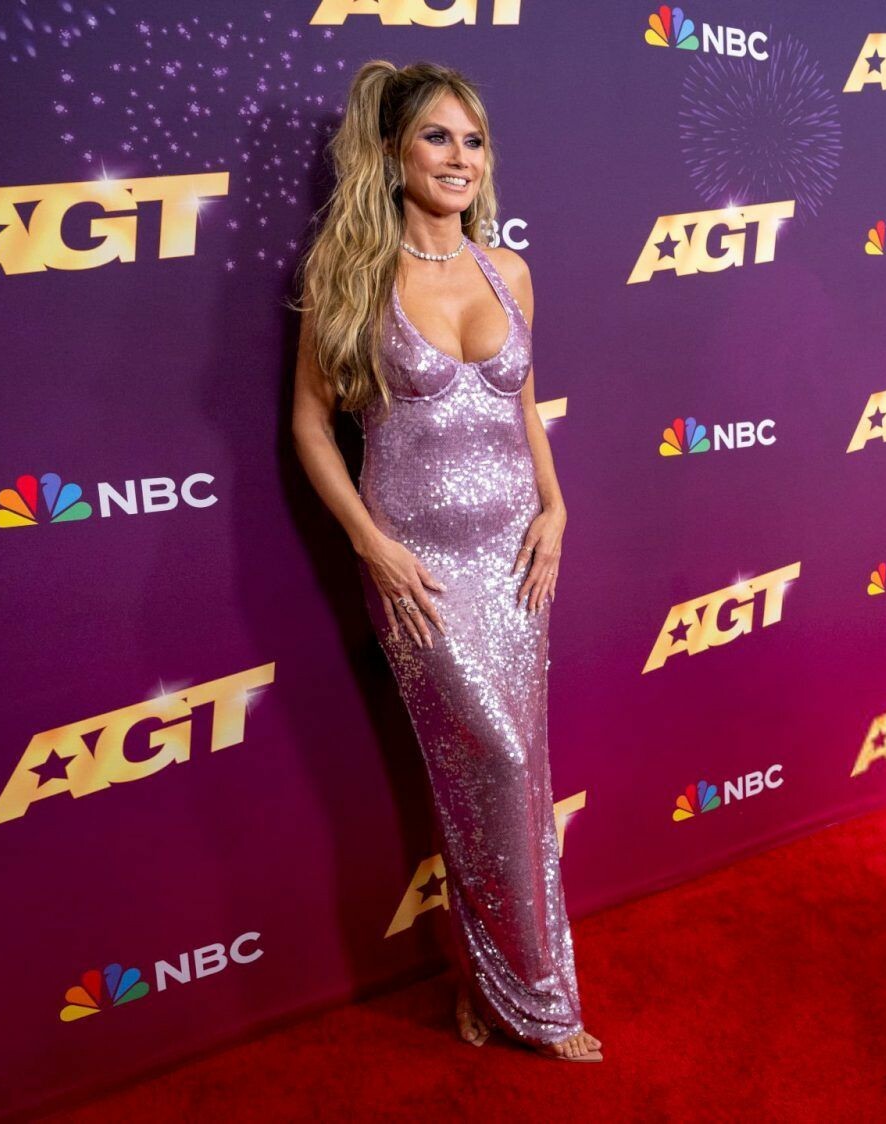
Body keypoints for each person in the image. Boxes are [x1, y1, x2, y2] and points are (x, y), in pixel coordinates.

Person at [290, 60, 603, 1062]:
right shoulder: (352, 273)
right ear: (393, 153)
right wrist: (370, 543)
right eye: (436, 136)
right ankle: (522, 993)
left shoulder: (509, 270)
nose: (459, 157)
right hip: (417, 570)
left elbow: (522, 407)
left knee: (516, 774)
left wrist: (557, 507)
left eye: (472, 140)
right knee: (492, 765)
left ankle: (501, 990)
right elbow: (309, 423)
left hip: (518, 560)